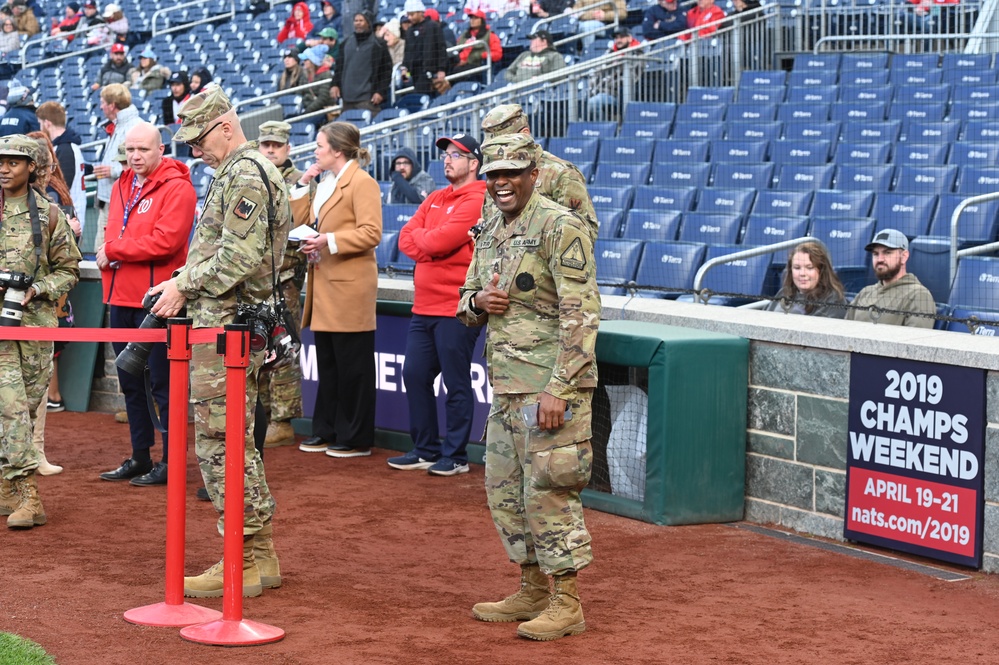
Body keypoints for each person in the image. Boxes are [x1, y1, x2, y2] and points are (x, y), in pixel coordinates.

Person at [147, 85, 290, 598]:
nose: (194, 150)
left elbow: (238, 259)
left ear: (226, 126)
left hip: (224, 325)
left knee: (219, 442)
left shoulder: (246, 173)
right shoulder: (241, 171)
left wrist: (182, 283)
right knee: (233, 440)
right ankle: (260, 555)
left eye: (199, 138)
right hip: (229, 323)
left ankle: (244, 557)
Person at [457, 132, 598, 641]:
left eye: (511, 172)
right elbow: (465, 298)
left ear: (533, 175)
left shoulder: (561, 226)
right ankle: (533, 586)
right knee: (506, 492)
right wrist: (478, 303)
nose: (501, 182)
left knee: (550, 493)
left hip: (549, 389)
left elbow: (581, 315)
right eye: (493, 174)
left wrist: (560, 388)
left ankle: (567, 601)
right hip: (507, 387)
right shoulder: (490, 226)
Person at [95, 122, 196, 487]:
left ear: (161, 150)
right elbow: (113, 230)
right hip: (119, 297)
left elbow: (165, 242)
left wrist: (113, 251)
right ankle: (140, 456)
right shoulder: (122, 182)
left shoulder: (178, 188)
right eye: (130, 150)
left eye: (143, 150)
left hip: (159, 301)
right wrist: (111, 247)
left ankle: (170, 462)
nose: (135, 156)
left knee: (164, 386)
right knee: (130, 383)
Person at [387, 134, 485, 476]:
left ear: (474, 163)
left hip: (456, 307)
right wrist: (428, 242)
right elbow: (406, 237)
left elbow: (441, 240)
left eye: (456, 155)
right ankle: (425, 448)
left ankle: (456, 455)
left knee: (456, 383)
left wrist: (427, 241)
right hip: (423, 306)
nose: (447, 159)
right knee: (414, 374)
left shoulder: (479, 198)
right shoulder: (434, 197)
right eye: (445, 154)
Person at [0, 134, 82, 530]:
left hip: (34, 326)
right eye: (0, 161)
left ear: (31, 167)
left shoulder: (49, 215)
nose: (4, 168)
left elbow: (69, 270)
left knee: (27, 407)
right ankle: (28, 495)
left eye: (13, 162)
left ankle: (6, 483)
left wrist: (35, 288)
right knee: (11, 405)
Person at [293, 122, 382, 459]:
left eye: (319, 145)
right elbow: (301, 221)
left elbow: (372, 232)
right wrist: (302, 185)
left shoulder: (362, 182)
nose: (315, 150)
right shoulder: (326, 182)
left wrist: (328, 241)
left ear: (337, 150)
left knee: (353, 366)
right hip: (325, 283)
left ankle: (356, 437)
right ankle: (326, 429)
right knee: (329, 363)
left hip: (350, 286)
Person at [26, 131, 80, 477]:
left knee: (37, 387)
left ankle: (36, 451)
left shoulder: (53, 209)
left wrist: (42, 288)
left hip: (40, 310)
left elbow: (68, 267)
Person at [481, 103, 598, 242]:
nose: (497, 153)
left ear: (525, 134)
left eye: (504, 144)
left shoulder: (562, 174)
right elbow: (490, 220)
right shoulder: (495, 178)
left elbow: (584, 233)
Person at [256, 120, 304, 449]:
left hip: (285, 280)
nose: (271, 149)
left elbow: (300, 228)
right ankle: (263, 414)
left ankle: (283, 420)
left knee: (284, 350)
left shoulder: (300, 182)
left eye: (277, 145)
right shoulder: (254, 174)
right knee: (258, 348)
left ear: (288, 148)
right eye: (266, 144)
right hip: (256, 281)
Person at [845, 229, 936, 328]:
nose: (880, 259)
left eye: (887, 253)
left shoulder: (919, 295)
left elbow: (916, 341)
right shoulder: (865, 293)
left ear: (904, 256)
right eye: (876, 254)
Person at [92, 83, 140, 247]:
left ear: (112, 105)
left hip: (122, 201)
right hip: (109, 198)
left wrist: (113, 170)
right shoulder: (119, 124)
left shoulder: (134, 126)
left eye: (103, 102)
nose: (101, 106)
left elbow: (142, 162)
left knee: (107, 249)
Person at [330, 11, 392, 118]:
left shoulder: (379, 44)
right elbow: (339, 67)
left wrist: (380, 92)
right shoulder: (346, 43)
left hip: (368, 100)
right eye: (356, 21)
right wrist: (335, 84)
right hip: (347, 100)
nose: (358, 23)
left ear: (368, 23)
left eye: (361, 20)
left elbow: (386, 70)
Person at [766, 241, 847, 318]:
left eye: (809, 268)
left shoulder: (833, 301)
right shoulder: (784, 293)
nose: (802, 273)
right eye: (797, 268)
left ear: (821, 270)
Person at [36, 101, 86, 227]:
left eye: (40, 123)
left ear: (47, 123)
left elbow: (62, 186)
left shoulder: (65, 149)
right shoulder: (65, 146)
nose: (40, 127)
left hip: (70, 218)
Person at [585, 26, 642, 122]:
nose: (618, 40)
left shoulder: (637, 54)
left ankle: (602, 131)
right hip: (600, 91)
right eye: (616, 38)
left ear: (629, 38)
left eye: (621, 37)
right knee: (577, 101)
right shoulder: (610, 53)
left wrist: (606, 82)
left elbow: (632, 78)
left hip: (617, 94)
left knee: (593, 103)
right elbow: (596, 71)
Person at [400, 0, 448, 96]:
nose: (410, 18)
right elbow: (408, 52)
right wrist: (405, 69)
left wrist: (441, 70)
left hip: (431, 71)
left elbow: (441, 49)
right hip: (415, 73)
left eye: (412, 14)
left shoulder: (433, 26)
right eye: (408, 15)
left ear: (420, 12)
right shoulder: (410, 30)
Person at [451, 9, 502, 79]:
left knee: (456, 73)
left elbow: (498, 54)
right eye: (471, 18)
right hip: (459, 63)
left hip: (477, 65)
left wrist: (481, 55)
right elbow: (457, 48)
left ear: (482, 20)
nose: (472, 20)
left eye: (476, 18)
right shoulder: (465, 34)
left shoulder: (490, 35)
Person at [298, 45, 334, 115]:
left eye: (306, 60)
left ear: (313, 61)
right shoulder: (304, 75)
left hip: (322, 111)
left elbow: (323, 98)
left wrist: (307, 111)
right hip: (306, 108)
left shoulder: (326, 74)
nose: (303, 62)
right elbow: (299, 93)